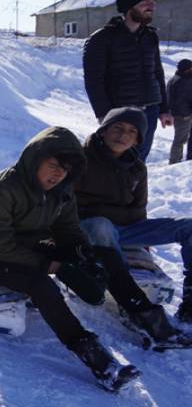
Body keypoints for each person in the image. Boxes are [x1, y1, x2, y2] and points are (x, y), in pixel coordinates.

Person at [0, 126, 191, 392]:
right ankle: (99, 361)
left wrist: (84, 255)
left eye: (65, 168)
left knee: (107, 257)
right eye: (54, 164)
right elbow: (1, 247)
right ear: (36, 158)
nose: (58, 173)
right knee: (41, 284)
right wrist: (55, 267)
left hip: (28, 242)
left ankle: (152, 323)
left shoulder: (62, 190)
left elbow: (68, 230)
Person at [75, 107, 192, 323]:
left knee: (188, 226)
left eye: (131, 131)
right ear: (103, 131)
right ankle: (126, 290)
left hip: (123, 232)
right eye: (117, 128)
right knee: (102, 225)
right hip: (87, 231)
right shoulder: (80, 159)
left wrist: (144, 248)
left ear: (138, 139)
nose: (123, 135)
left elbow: (139, 210)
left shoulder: (137, 168)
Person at [83, 0, 172, 162]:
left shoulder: (150, 36)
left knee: (139, 161)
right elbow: (94, 80)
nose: (151, 8)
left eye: (153, 4)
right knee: (115, 161)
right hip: (120, 113)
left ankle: (132, 190)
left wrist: (164, 108)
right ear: (129, 7)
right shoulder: (102, 38)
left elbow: (157, 73)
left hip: (150, 111)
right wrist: (103, 113)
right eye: (145, 3)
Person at [168, 59, 192, 164]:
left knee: (182, 139)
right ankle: (174, 162)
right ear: (187, 69)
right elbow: (182, 101)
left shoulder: (175, 79)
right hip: (183, 115)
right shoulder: (184, 81)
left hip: (179, 114)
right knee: (180, 140)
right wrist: (186, 114)